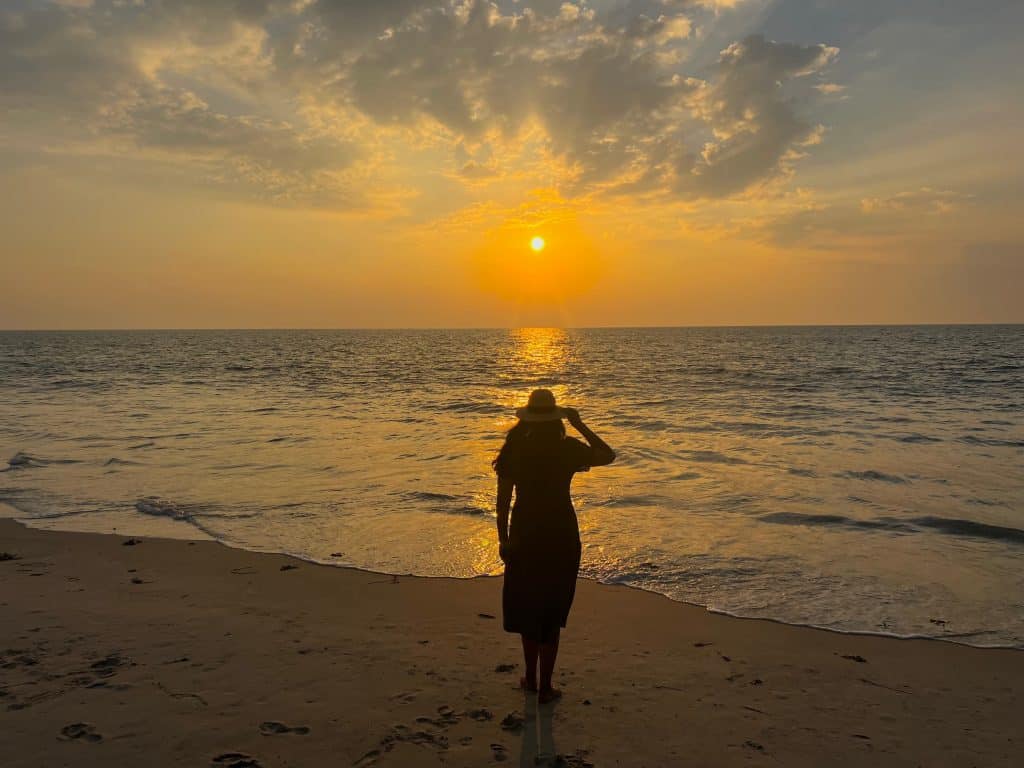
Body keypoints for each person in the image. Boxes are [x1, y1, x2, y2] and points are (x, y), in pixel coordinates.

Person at [493, 388, 615, 704]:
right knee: (551, 608)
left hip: (524, 533)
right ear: (557, 418)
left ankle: (531, 679)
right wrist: (580, 424)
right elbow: (607, 455)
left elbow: (503, 500)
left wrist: (503, 539)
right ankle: (545, 686)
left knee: (527, 606)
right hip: (560, 533)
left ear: (529, 417)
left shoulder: (514, 449)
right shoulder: (567, 449)